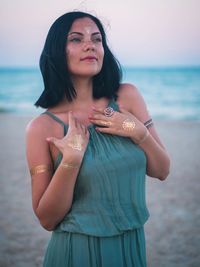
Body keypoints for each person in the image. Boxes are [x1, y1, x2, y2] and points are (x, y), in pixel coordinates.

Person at [26, 11, 170, 267]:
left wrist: (139, 133)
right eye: (76, 39)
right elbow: (47, 220)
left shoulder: (128, 97)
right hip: (76, 252)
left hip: (132, 247)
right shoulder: (42, 127)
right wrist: (71, 160)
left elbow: (162, 170)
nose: (90, 45)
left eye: (97, 38)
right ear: (57, 51)